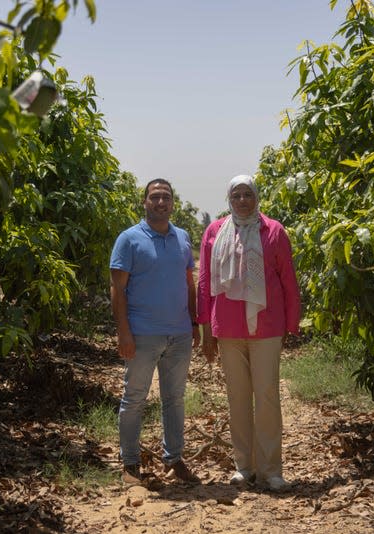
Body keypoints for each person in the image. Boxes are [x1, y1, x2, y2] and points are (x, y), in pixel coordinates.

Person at [197, 174, 301, 492]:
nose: (242, 200)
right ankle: (244, 467)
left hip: (267, 327)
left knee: (267, 396)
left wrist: (291, 324)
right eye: (237, 195)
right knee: (237, 398)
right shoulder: (215, 232)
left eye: (248, 194)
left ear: (257, 196)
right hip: (227, 328)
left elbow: (288, 281)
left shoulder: (274, 231)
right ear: (229, 199)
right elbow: (204, 281)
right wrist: (205, 330)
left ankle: (271, 470)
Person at [110, 178, 202, 487]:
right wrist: (124, 332)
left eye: (166, 197)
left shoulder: (183, 238)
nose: (160, 202)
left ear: (172, 202)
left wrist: (193, 323)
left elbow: (188, 283)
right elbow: (118, 289)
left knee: (174, 399)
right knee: (134, 398)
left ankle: (174, 459)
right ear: (145, 202)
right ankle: (130, 463)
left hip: (178, 335)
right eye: (155, 197)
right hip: (142, 334)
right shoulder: (129, 239)